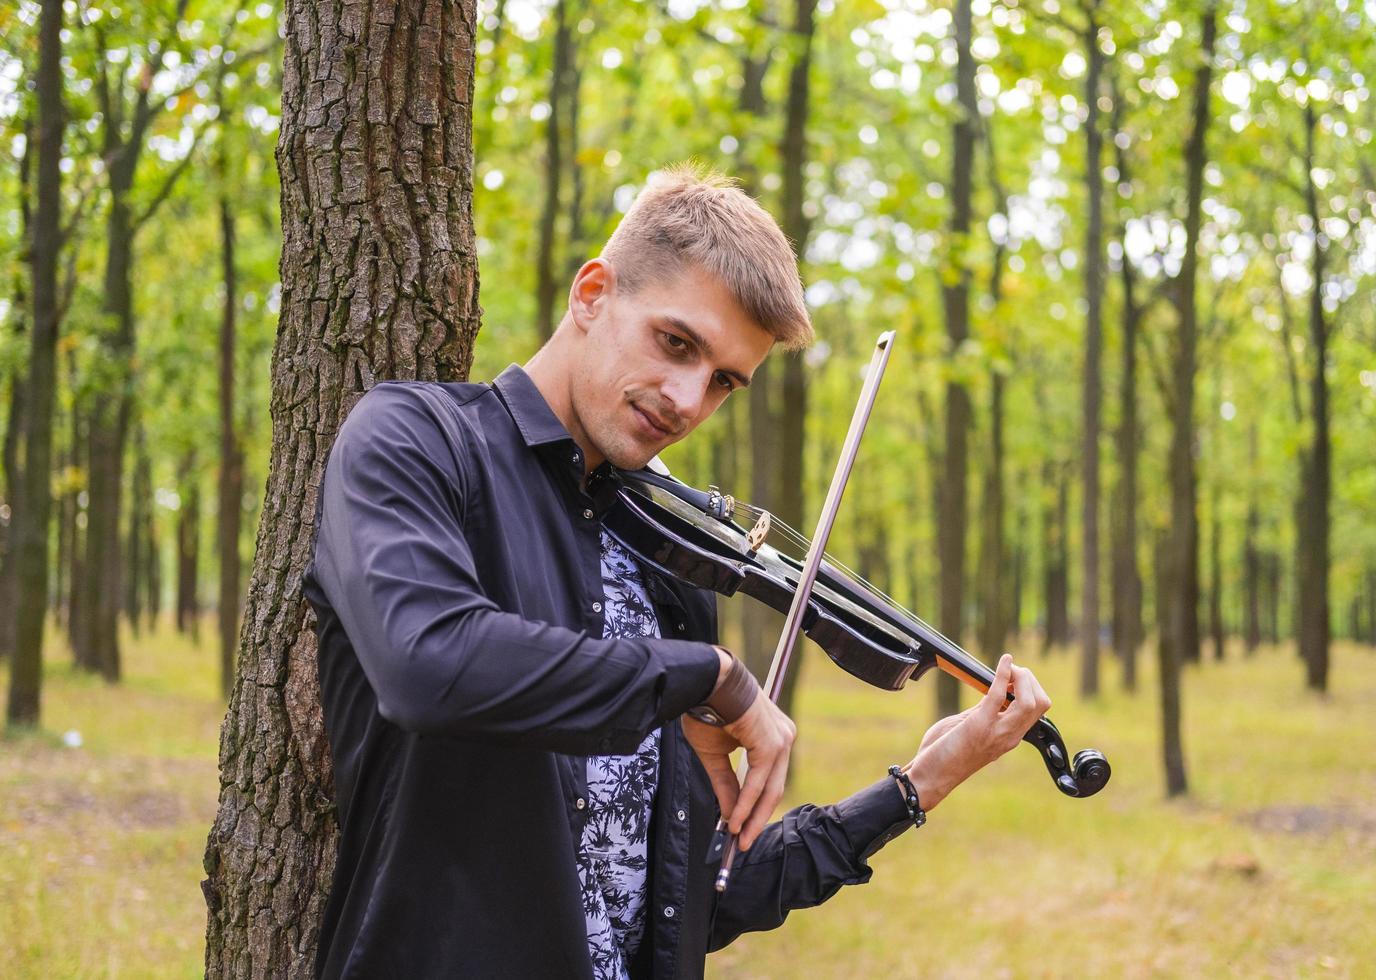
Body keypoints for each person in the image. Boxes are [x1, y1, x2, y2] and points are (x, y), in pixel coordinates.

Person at [303, 165, 1053, 980]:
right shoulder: (417, 442)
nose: (690, 400)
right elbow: (428, 666)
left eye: (725, 381)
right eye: (677, 343)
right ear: (592, 293)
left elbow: (692, 897)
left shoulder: (669, 559)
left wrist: (920, 783)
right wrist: (714, 678)